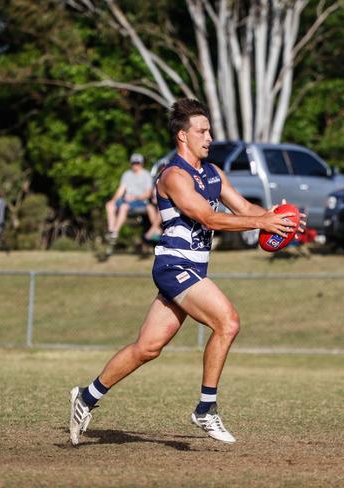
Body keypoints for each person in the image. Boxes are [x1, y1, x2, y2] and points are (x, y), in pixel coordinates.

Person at [69, 98, 302, 445]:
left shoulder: (213, 173)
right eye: (202, 131)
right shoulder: (173, 176)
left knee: (146, 349)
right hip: (174, 267)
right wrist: (260, 221)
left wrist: (279, 219)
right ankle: (205, 409)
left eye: (209, 131)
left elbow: (244, 207)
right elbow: (208, 218)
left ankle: (85, 397)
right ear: (182, 136)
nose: (209, 137)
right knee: (229, 322)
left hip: (191, 269)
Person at [105, 153, 159, 244]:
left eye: (137, 163)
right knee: (109, 205)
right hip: (127, 201)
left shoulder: (146, 175)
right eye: (134, 163)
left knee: (124, 207)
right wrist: (113, 200)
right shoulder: (127, 175)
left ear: (141, 164)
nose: (135, 165)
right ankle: (111, 231)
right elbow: (121, 190)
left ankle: (115, 232)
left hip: (140, 202)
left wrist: (135, 197)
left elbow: (148, 194)